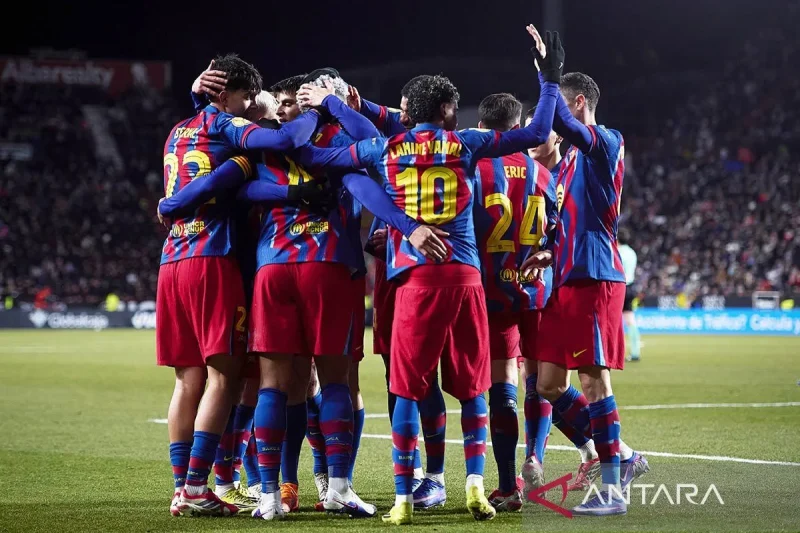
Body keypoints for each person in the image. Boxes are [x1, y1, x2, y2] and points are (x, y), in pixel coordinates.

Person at [297, 31, 562, 523]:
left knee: (406, 387)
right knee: (475, 389)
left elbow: (320, 158)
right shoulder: (466, 143)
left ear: (408, 111)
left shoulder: (385, 147)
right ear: (444, 110)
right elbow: (537, 133)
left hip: (414, 281)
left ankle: (404, 497)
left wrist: (326, 110)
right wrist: (549, 79)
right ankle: (476, 485)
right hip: (466, 280)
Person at [157, 53, 322, 518]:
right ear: (233, 95)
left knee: (188, 380)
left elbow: (205, 140)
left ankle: (183, 488)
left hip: (172, 258)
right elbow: (283, 138)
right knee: (225, 378)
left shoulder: (177, 131)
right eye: (249, 100)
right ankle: (199, 485)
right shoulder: (231, 131)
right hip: (214, 257)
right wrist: (317, 108)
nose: (252, 109)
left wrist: (197, 98)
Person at [522, 27, 649, 516]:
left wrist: (546, 76)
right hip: (565, 278)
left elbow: (561, 123)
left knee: (594, 380)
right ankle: (625, 454)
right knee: (548, 384)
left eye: (558, 104)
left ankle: (613, 489)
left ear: (577, 103)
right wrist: (547, 253)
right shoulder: (568, 163)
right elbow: (567, 223)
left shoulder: (605, 142)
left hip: (594, 277)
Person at [471, 92, 558, 512]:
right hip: (536, 290)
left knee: (502, 385)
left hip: (492, 292)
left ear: (482, 128)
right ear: (520, 126)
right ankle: (535, 457)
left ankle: (508, 485)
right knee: (540, 380)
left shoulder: (475, 169)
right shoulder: (543, 174)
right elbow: (557, 233)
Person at [618, 227, 641, 361]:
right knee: (630, 320)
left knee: (615, 320)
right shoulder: (632, 252)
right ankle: (635, 352)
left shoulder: (618, 251)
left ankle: (617, 352)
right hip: (631, 286)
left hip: (620, 286)